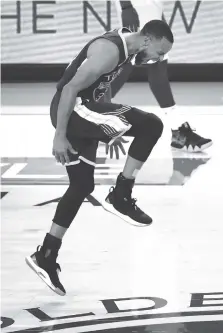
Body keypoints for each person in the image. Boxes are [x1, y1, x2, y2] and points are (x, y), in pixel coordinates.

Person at [25, 20, 173, 296]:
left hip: (82, 112)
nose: (159, 59)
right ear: (148, 39)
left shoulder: (128, 47)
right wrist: (60, 135)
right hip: (72, 111)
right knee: (152, 125)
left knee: (81, 186)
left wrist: (103, 125)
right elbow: (70, 89)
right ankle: (121, 195)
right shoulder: (109, 50)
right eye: (159, 52)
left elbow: (95, 85)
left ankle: (46, 254)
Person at [112, 0, 212, 152]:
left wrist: (160, 17)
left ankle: (88, 114)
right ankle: (85, 115)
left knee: (154, 70)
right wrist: (126, 6)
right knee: (128, 67)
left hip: (152, 9)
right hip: (137, 8)